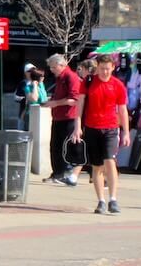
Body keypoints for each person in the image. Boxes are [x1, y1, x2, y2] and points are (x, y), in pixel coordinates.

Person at [72, 54, 131, 214]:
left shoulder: (118, 85)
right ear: (97, 67)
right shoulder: (89, 82)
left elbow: (122, 109)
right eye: (102, 68)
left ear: (113, 67)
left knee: (110, 161)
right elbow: (80, 103)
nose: (105, 72)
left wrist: (126, 131)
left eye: (108, 69)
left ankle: (113, 198)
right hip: (92, 127)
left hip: (111, 128)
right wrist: (78, 126)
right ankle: (101, 201)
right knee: (96, 166)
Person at [41, 54, 81, 186]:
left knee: (64, 146)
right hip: (58, 117)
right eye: (51, 67)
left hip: (68, 117)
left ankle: (64, 173)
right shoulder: (59, 78)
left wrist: (56, 103)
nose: (52, 70)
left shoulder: (71, 77)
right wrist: (51, 102)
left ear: (62, 65)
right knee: (55, 146)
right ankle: (57, 173)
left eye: (54, 67)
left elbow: (74, 100)